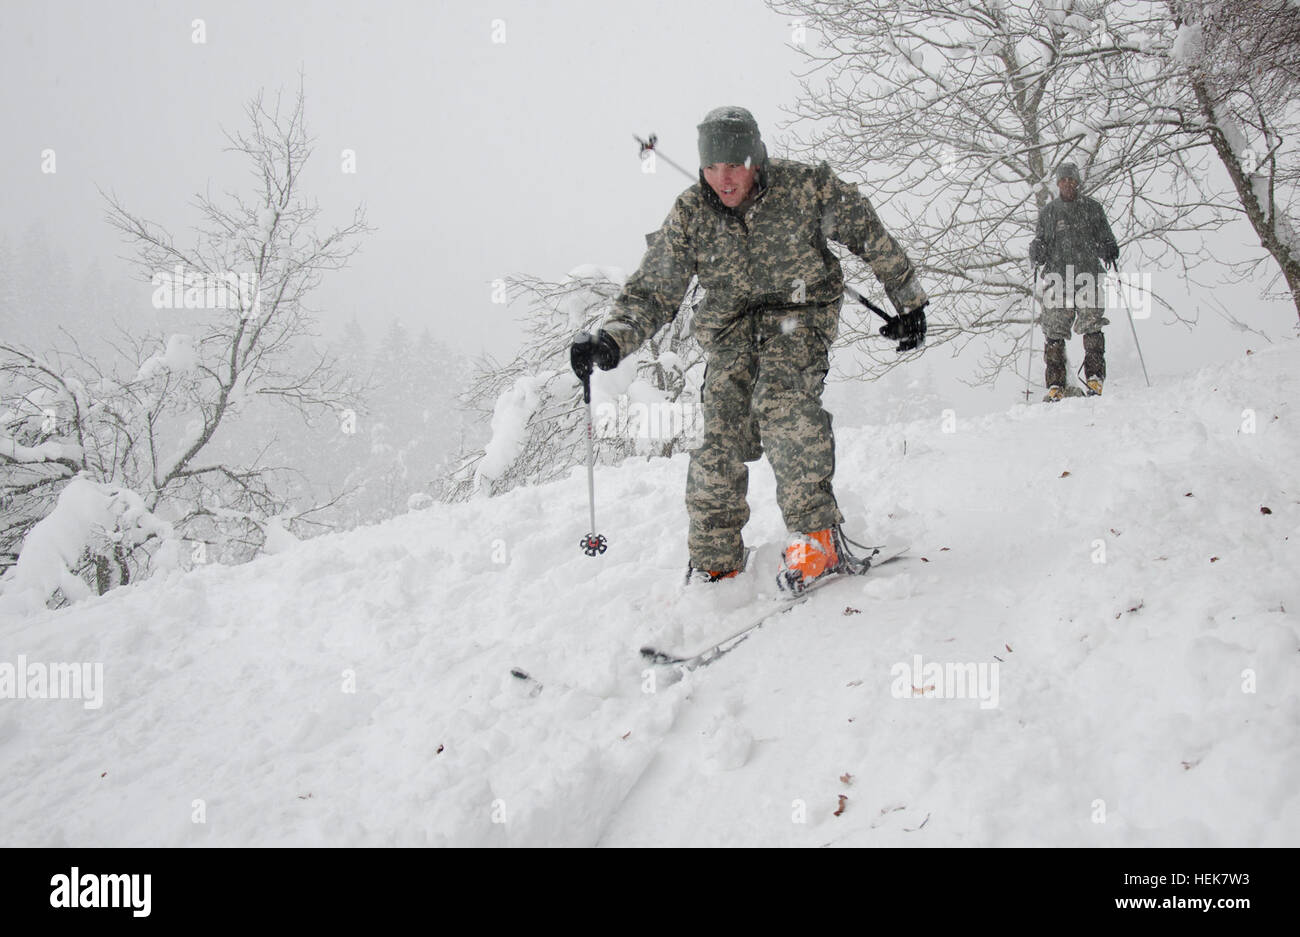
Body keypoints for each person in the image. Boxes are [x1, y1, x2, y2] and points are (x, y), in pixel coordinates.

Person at [569, 106, 928, 590]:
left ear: (755, 158)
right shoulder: (692, 213)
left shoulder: (806, 187)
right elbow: (655, 289)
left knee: (781, 401)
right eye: (712, 168)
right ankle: (715, 559)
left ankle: (817, 536)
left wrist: (907, 301)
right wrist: (611, 338)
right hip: (731, 329)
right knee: (718, 431)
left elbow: (869, 232)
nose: (723, 178)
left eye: (734, 165)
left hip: (800, 315)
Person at [1029, 162, 1120, 401]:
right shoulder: (1049, 213)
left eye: (1071, 180)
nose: (1068, 184)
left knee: (1092, 326)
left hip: (1087, 275)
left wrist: (1110, 247)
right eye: (1063, 180)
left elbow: (1105, 238)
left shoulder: (1092, 209)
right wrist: (1036, 249)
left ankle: (1095, 378)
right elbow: (1041, 242)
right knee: (1054, 331)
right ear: (1058, 184)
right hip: (1058, 277)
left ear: (1077, 182)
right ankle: (1056, 385)